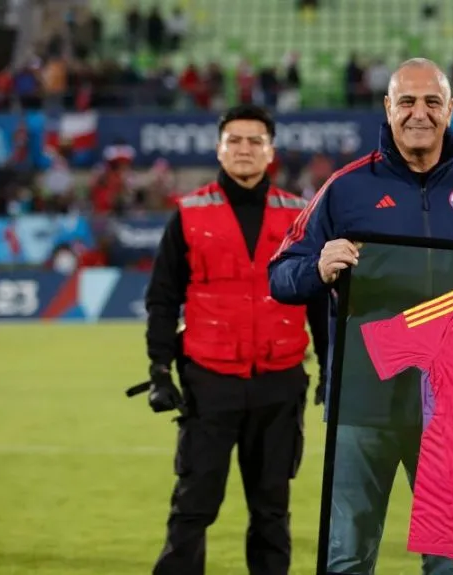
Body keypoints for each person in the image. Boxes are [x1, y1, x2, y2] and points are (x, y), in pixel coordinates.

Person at [268, 58, 453, 575]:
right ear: (387, 108)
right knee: (346, 556)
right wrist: (318, 269)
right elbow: (281, 274)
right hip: (364, 406)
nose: (420, 113)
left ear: (450, 109)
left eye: (432, 102)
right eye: (407, 101)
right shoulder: (345, 188)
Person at [142, 104, 329, 575]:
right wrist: (159, 371)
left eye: (254, 141)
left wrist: (331, 370)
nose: (244, 150)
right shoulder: (188, 214)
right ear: (218, 148)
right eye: (235, 141)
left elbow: (319, 303)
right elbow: (162, 300)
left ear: (271, 152)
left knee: (271, 512)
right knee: (192, 508)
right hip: (209, 383)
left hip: (280, 383)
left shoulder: (300, 216)